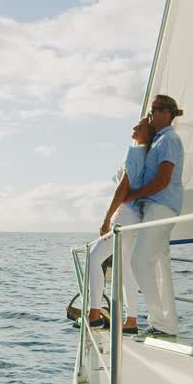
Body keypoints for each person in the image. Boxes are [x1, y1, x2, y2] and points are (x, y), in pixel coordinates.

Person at [84, 116, 153, 332]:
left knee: (94, 258)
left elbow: (122, 188)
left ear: (147, 132)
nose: (134, 128)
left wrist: (107, 218)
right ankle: (131, 321)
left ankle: (94, 313)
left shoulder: (134, 153)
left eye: (139, 126)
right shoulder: (150, 156)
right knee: (126, 270)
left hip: (124, 216)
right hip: (138, 219)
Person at [124, 94, 184, 337]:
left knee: (138, 262)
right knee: (160, 268)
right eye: (152, 109)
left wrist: (133, 194)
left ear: (168, 113)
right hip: (159, 208)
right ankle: (168, 324)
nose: (152, 113)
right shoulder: (159, 140)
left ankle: (159, 322)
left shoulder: (169, 140)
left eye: (157, 109)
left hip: (161, 208)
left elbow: (163, 180)